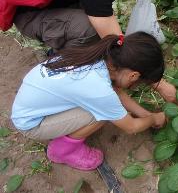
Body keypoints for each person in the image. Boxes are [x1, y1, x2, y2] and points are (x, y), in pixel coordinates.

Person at [12, 0, 176, 103]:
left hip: (63, 2)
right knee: (91, 30)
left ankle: (69, 43)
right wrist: (159, 84)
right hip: (31, 15)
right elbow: (119, 46)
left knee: (102, 33)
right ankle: (60, 65)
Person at [11, 32, 168, 170]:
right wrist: (154, 118)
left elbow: (115, 91)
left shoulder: (100, 56)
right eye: (137, 83)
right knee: (101, 114)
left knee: (106, 107)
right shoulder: (99, 89)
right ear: (133, 75)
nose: (133, 86)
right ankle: (62, 151)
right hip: (31, 123)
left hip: (30, 104)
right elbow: (131, 127)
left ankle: (63, 132)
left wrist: (144, 113)